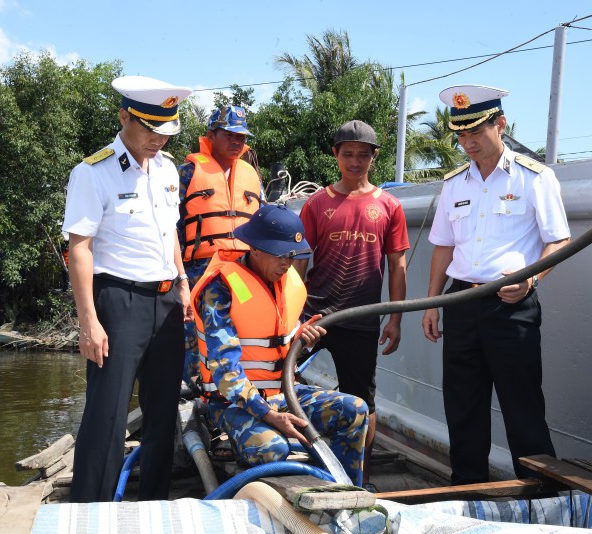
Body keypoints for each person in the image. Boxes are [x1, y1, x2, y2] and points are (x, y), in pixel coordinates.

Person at [422, 84, 571, 485]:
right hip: (462, 302)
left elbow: (559, 240)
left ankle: (542, 497)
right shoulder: (454, 184)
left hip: (512, 306)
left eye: (476, 132)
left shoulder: (534, 178)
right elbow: (442, 248)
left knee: (522, 406)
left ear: (500, 124)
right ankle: (467, 491)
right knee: (463, 406)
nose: (467, 142)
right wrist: (433, 303)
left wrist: (531, 279)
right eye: (461, 134)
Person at [62, 75, 194, 502]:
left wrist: (183, 281)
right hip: (118, 300)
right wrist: (88, 322)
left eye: (166, 131)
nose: (158, 139)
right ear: (124, 117)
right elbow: (79, 248)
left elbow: (170, 230)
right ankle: (88, 511)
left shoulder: (169, 168)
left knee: (161, 413)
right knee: (107, 413)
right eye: (150, 129)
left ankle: (152, 504)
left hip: (166, 300)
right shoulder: (92, 172)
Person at [191, 204, 369, 485]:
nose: (287, 263)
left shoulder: (286, 282)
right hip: (231, 403)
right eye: (281, 254)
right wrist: (270, 416)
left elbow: (277, 351)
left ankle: (345, 494)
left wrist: (303, 341)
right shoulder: (219, 289)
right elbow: (226, 373)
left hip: (282, 393)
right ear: (256, 248)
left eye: (292, 255)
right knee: (271, 449)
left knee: (355, 410)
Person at [294, 120, 409, 489]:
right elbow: (297, 263)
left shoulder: (389, 206)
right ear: (336, 155)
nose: (355, 161)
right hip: (313, 317)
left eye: (363, 155)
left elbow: (398, 266)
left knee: (363, 400)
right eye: (348, 154)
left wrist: (394, 319)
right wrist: (290, 317)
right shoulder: (316, 203)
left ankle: (361, 478)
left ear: (374, 158)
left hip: (361, 319)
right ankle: (285, 458)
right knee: (274, 380)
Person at [177, 106, 264, 384]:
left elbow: (262, 223)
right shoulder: (188, 173)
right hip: (198, 270)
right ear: (211, 135)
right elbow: (172, 226)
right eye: (229, 135)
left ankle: (235, 388)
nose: (237, 141)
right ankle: (190, 390)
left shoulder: (252, 175)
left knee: (237, 328)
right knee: (194, 333)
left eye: (241, 136)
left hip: (240, 270)